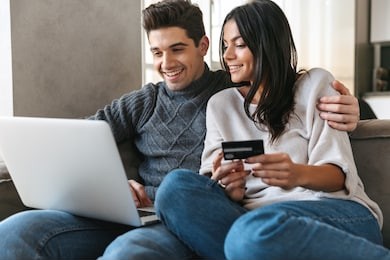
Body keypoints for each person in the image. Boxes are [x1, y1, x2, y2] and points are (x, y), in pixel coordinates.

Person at [0, 0, 362, 259]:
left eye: (176, 49)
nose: (165, 63)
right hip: (143, 213)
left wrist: (355, 106)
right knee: (14, 231)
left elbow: (286, 88)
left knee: (140, 238)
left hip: (188, 220)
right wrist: (108, 185)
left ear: (201, 47)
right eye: (156, 52)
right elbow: (76, 142)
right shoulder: (152, 101)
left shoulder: (228, 88)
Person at [155, 1, 390, 259]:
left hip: (333, 212)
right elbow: (213, 193)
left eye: (240, 44)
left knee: (251, 233)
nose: (227, 55)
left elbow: (339, 176)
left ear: (268, 44)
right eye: (225, 45)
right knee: (174, 189)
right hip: (254, 224)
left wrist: (296, 174)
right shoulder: (220, 105)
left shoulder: (315, 84)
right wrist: (231, 190)